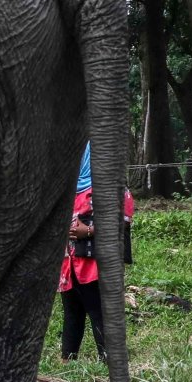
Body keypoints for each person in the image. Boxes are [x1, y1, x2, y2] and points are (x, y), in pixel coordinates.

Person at [58, 143, 134, 361]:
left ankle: (109, 357)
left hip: (95, 264)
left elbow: (122, 221)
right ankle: (68, 358)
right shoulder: (67, 188)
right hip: (69, 263)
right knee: (72, 312)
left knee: (99, 311)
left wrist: (88, 230)